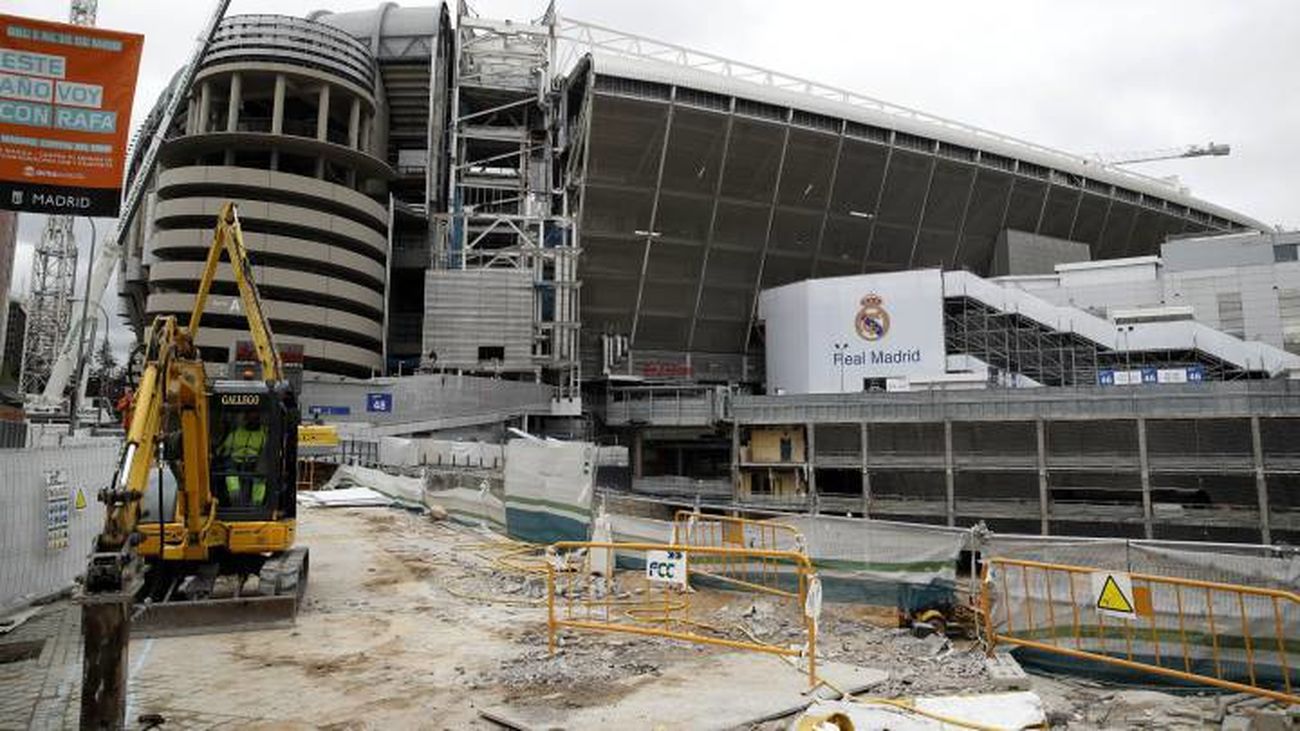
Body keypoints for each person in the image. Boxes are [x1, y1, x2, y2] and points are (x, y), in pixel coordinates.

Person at [218, 410, 268, 505]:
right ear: (245, 419)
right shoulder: (236, 432)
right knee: (229, 471)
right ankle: (234, 498)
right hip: (236, 462)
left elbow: (267, 451)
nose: (252, 421)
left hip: (255, 463)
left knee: (261, 473)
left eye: (255, 418)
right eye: (250, 418)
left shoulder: (264, 434)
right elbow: (224, 448)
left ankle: (256, 504)